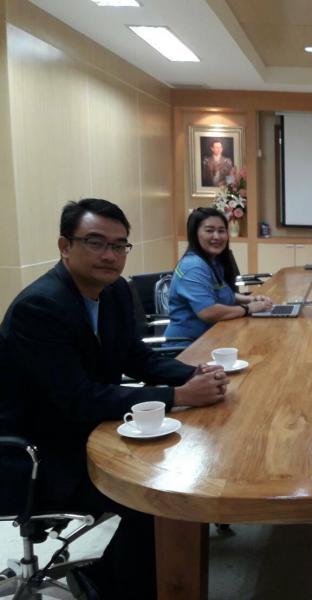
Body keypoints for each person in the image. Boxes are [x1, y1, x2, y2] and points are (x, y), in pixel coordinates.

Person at [0, 198, 231, 599]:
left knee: (184, 462)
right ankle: (115, 585)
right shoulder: (39, 307)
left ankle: (125, 578)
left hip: (91, 427)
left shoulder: (116, 292)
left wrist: (194, 373)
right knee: (156, 497)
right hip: (37, 452)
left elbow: (135, 357)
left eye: (119, 245)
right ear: (65, 246)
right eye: (95, 242)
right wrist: (178, 395)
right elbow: (77, 400)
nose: (110, 255)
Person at [165, 207, 272, 344]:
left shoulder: (212, 261)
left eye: (221, 231)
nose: (217, 236)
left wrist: (250, 299)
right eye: (209, 231)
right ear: (195, 234)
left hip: (214, 338)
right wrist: (248, 308)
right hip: (188, 346)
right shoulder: (193, 266)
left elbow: (220, 293)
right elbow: (208, 311)